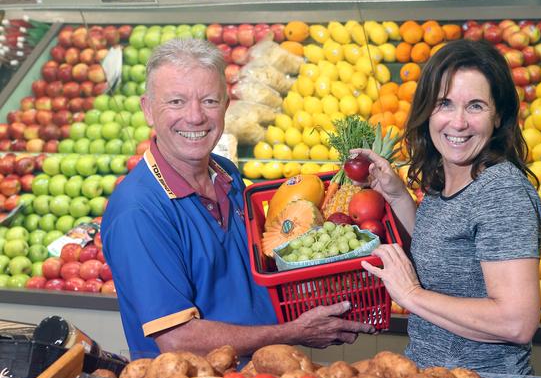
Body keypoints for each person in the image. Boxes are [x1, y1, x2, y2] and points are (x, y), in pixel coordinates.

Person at [101, 38, 375, 359]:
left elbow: (252, 273)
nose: (195, 117)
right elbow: (177, 339)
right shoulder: (138, 211)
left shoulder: (226, 173)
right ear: (148, 109)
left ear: (227, 104)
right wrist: (293, 332)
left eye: (209, 101)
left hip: (259, 376)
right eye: (176, 102)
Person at [355, 39, 541, 375]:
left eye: (475, 106)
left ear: (498, 116)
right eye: (444, 104)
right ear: (427, 111)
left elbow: (516, 322)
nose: (458, 123)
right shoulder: (448, 177)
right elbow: (446, 251)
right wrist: (397, 194)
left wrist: (411, 295)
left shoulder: (502, 192)